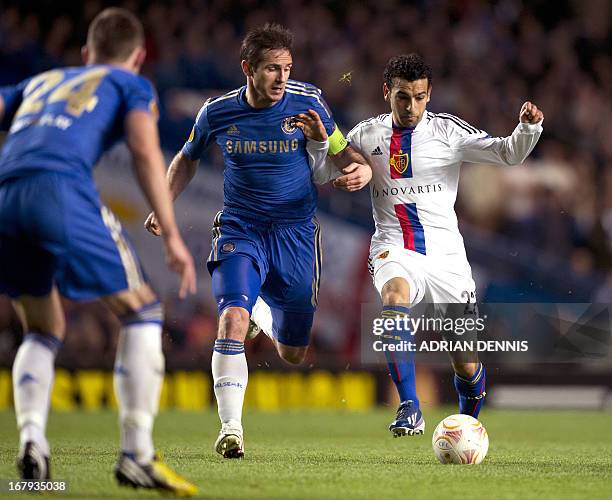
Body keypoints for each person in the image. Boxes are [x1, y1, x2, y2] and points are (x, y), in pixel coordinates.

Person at [145, 23, 371, 459]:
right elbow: (186, 159)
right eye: (271, 69)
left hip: (296, 236)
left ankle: (260, 312)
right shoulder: (217, 112)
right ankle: (232, 428)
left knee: (292, 352)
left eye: (286, 68)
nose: (281, 78)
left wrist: (359, 169)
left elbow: (343, 152)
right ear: (248, 68)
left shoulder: (309, 103)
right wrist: (165, 202)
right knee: (230, 318)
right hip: (240, 228)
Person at [0, 8, 198, 495]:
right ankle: (137, 455)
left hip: (6, 194)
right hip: (60, 189)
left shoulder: (42, 80)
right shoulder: (131, 84)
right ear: (139, 56)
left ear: (86, 53)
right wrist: (172, 235)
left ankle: (32, 442)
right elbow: (146, 152)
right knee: (143, 309)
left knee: (43, 327)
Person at [314, 53, 543, 436]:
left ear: (429, 94)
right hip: (393, 246)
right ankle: (409, 406)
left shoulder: (448, 132)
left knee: (465, 361)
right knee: (394, 296)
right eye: (403, 97)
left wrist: (527, 129)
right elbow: (324, 168)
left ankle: (468, 426)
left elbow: (507, 153)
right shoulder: (366, 135)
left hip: (447, 258)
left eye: (420, 97)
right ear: (386, 92)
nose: (412, 106)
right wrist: (326, 147)